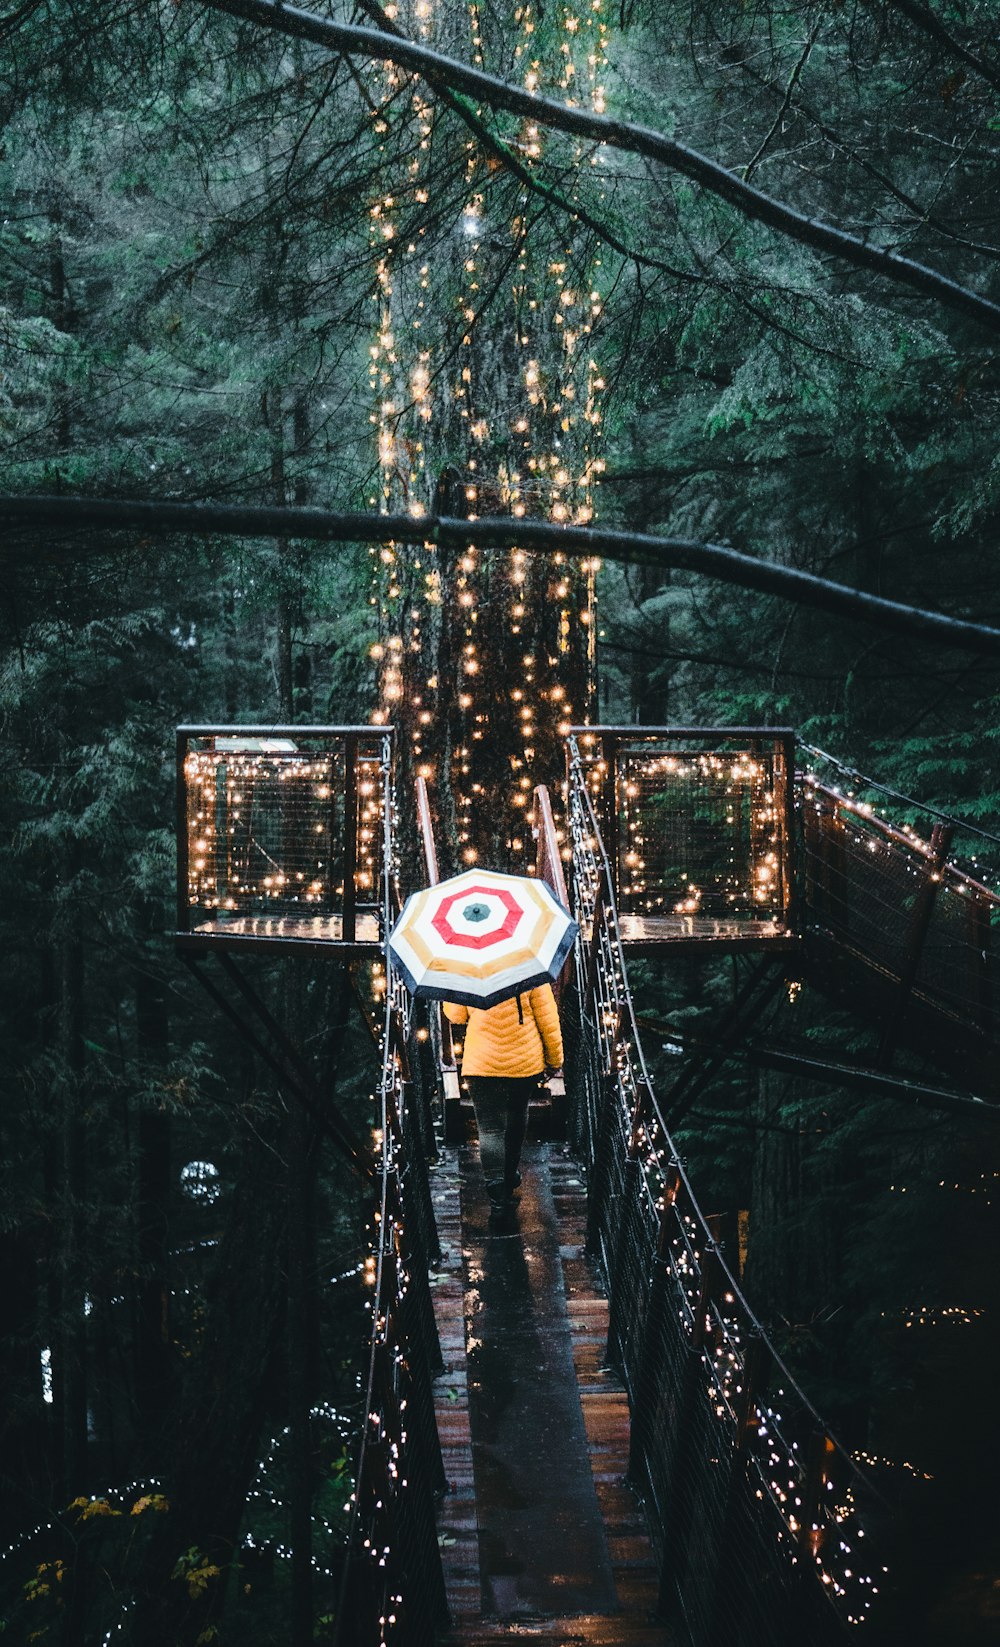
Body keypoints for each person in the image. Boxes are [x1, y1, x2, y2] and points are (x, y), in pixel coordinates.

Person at [444, 983, 563, 1206]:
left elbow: (456, 1015)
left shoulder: (469, 966)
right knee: (517, 1116)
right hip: (524, 1062)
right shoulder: (530, 968)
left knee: (489, 1128)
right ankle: (509, 1175)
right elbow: (548, 1022)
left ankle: (496, 1190)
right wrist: (554, 1060)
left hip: (481, 1064)